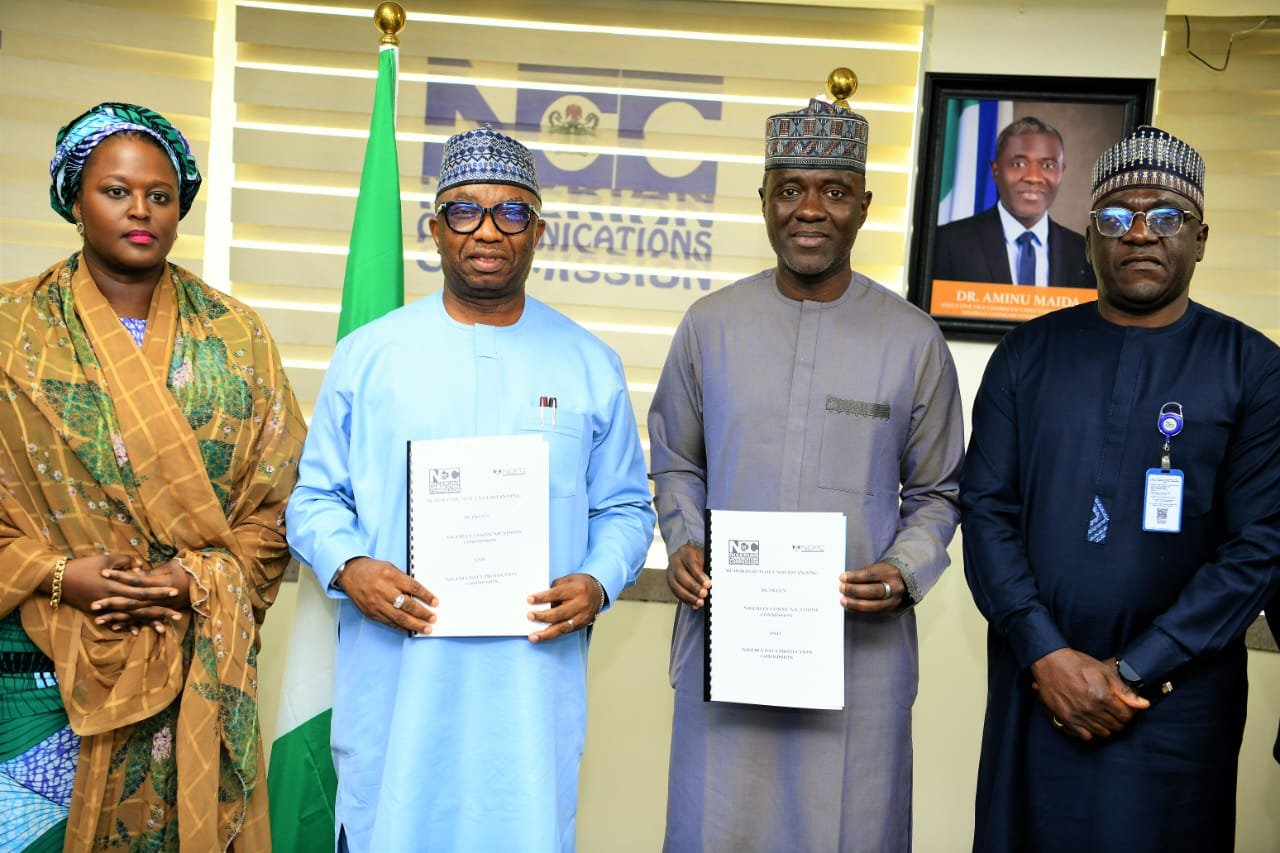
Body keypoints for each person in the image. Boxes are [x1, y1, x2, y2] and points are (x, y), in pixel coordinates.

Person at [285, 125, 655, 852]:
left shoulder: (588, 363)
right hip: (399, 679)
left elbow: (625, 507)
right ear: (435, 229)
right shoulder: (368, 357)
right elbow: (312, 498)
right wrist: (350, 567)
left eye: (511, 212)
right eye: (465, 211)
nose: (488, 230)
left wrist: (598, 580)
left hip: (528, 685)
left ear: (538, 232)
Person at [649, 98, 965, 852]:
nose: (810, 209)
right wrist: (687, 543)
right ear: (764, 200)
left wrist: (901, 570)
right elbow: (675, 460)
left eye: (833, 189)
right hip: (731, 645)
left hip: (859, 658)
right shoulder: (710, 325)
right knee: (717, 827)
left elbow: (939, 492)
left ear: (863, 205)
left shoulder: (913, 339)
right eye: (790, 189)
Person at [962, 126, 1280, 852]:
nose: (1140, 233)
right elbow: (985, 512)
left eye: (1165, 215)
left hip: (1177, 710)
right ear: (1088, 239)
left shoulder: (1254, 369)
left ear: (1200, 237)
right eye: (1116, 216)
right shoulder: (1025, 355)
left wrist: (1132, 670)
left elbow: (1258, 549)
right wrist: (1045, 654)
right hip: (1035, 692)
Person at [0, 102, 306, 851]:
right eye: (116, 190)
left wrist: (189, 581)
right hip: (36, 672)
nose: (141, 210)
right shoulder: (10, 330)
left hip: (191, 671)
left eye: (160, 195)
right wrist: (60, 574)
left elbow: (278, 506)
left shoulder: (236, 337)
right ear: (74, 197)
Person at [933, 116, 1094, 288]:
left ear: (1061, 172)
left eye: (1048, 166)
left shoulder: (1086, 253)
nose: (1033, 177)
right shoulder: (948, 243)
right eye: (1019, 164)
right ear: (995, 171)